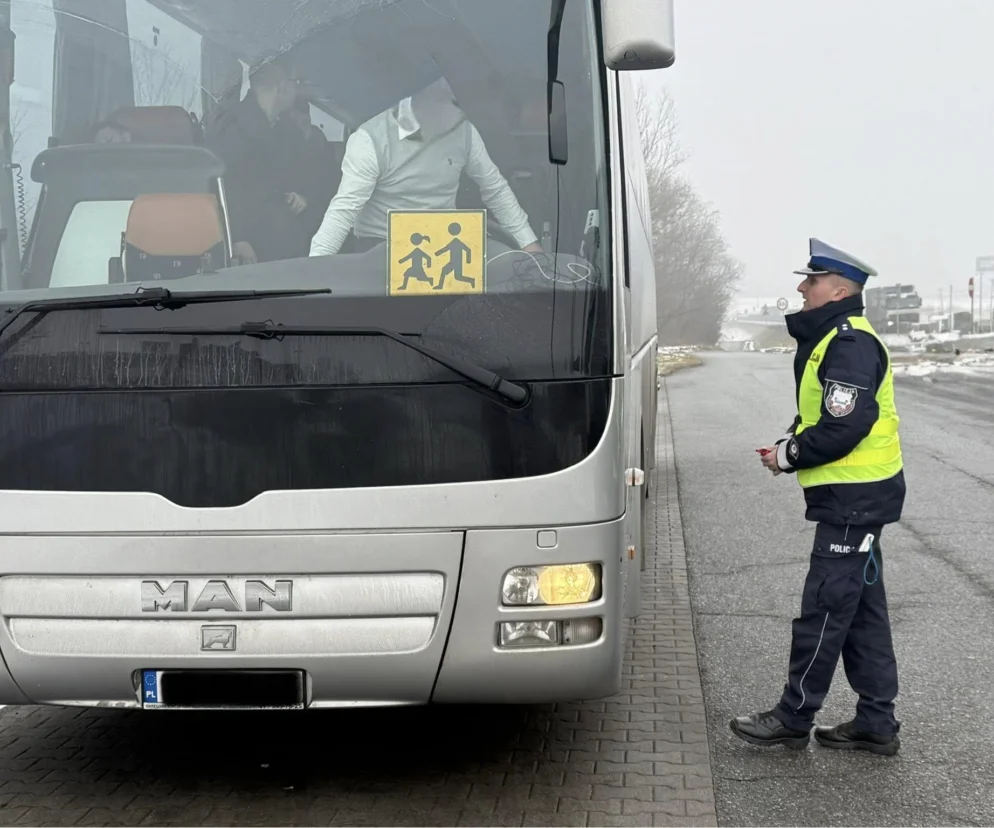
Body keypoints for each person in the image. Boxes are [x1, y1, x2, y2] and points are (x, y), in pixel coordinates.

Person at [730, 238, 906, 757]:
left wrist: (789, 456)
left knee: (826, 608)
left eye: (812, 280)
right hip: (856, 498)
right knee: (862, 613)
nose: (803, 288)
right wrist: (789, 444)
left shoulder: (849, 343)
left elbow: (843, 427)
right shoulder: (835, 338)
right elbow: (824, 415)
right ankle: (876, 722)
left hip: (854, 500)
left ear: (838, 290)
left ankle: (793, 716)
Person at [309, 76, 543, 257]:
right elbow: (344, 209)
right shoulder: (370, 139)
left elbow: (494, 188)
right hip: (380, 250)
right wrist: (316, 266)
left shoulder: (463, 131)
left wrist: (529, 245)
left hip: (443, 247)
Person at [204, 60, 311, 264]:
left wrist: (299, 194)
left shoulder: (284, 129)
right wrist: (237, 237)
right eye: (295, 83)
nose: (298, 91)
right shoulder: (233, 127)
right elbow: (222, 186)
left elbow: (295, 173)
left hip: (281, 239)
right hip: (250, 246)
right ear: (281, 88)